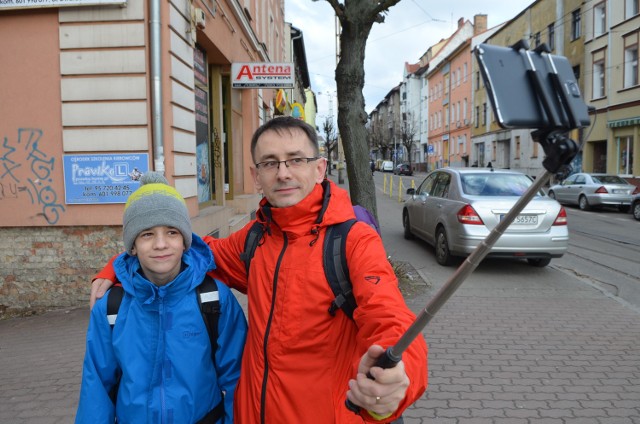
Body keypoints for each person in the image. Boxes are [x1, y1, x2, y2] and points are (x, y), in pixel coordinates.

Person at [91, 117, 428, 423]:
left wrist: (399, 378)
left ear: (320, 168)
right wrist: (121, 264)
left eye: (296, 159)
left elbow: (390, 319)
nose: (283, 172)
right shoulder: (254, 239)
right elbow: (191, 248)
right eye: (270, 163)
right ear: (256, 176)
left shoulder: (353, 241)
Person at [77, 172, 247, 424]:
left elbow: (237, 379)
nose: (160, 244)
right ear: (132, 245)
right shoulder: (112, 307)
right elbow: (96, 387)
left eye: (171, 232)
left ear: (185, 241)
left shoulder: (213, 299)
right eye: (147, 234)